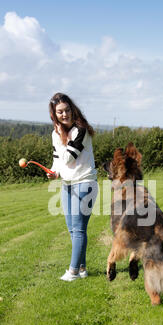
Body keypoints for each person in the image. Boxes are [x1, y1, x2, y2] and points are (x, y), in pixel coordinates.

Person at [47, 93, 98, 281]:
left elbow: (68, 157)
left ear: (72, 109)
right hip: (67, 184)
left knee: (78, 229)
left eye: (67, 110)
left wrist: (61, 135)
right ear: (54, 114)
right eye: (60, 112)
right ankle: (83, 268)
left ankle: (73, 271)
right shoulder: (55, 133)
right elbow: (57, 160)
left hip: (85, 183)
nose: (64, 114)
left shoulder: (80, 130)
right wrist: (54, 172)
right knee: (72, 229)